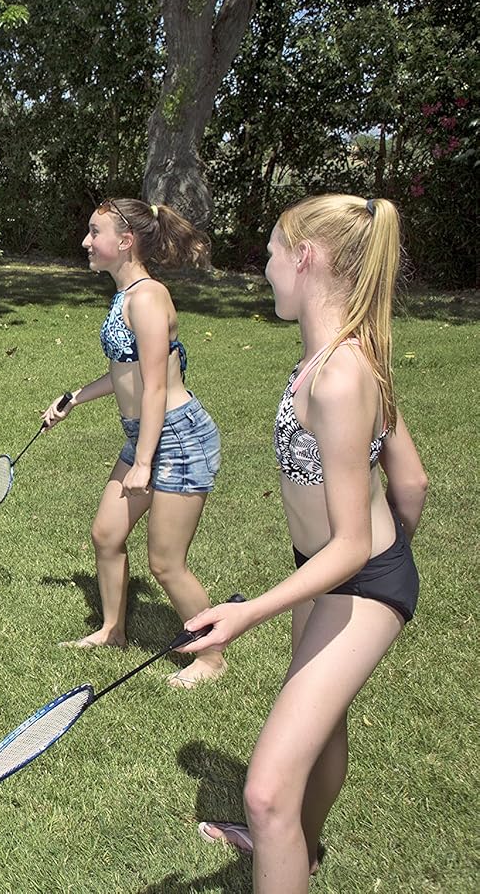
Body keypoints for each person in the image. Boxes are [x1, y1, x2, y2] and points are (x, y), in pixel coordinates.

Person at [181, 195, 426, 891]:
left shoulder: (341, 376)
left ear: (305, 257)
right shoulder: (341, 353)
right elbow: (412, 481)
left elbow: (353, 544)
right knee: (323, 732)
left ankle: (282, 837)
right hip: (328, 573)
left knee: (265, 793)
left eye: (270, 254)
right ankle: (301, 850)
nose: (264, 270)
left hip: (353, 576)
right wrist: (386, 552)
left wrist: (249, 611)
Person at [42, 198, 227, 687]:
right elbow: (125, 373)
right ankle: (112, 631)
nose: (86, 241)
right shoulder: (125, 295)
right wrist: (74, 398)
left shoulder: (146, 298)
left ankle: (212, 656)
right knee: (107, 534)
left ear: (125, 242)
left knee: (165, 563)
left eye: (94, 232)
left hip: (176, 437)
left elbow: (157, 386)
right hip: (144, 433)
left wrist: (144, 461)